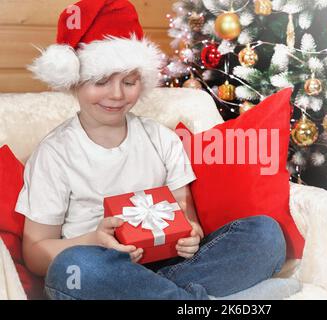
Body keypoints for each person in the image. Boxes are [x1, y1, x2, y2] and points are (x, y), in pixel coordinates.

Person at [15, 0, 286, 300]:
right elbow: (36, 252)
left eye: (129, 81)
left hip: (170, 267)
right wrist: (95, 240)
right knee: (73, 267)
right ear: (74, 81)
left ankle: (173, 296)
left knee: (265, 234)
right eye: (101, 80)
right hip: (104, 270)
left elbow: (186, 217)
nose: (116, 94)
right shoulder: (55, 153)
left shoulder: (161, 139)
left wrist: (191, 236)